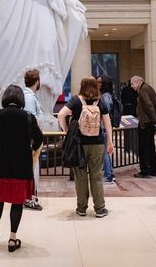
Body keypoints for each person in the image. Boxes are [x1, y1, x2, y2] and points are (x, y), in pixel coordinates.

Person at [0, 85, 43, 252]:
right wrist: (31, 147)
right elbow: (39, 138)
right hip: (21, 165)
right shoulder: (27, 116)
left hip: (0, 163)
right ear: (20, 99)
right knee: (17, 202)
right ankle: (12, 239)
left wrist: (2, 146)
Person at [57, 76, 114, 218]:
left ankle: (81, 208)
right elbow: (107, 124)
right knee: (97, 176)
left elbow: (61, 114)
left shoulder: (76, 100)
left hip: (79, 144)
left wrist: (67, 130)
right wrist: (110, 142)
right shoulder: (100, 102)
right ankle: (100, 209)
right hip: (97, 144)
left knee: (80, 176)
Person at [22, 69, 43, 210]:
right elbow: (31, 120)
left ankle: (29, 196)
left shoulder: (29, 96)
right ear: (37, 81)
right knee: (31, 169)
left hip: (33, 139)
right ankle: (29, 198)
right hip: (32, 141)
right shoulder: (29, 97)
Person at [131, 75, 156, 178]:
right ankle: (153, 169)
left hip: (146, 123)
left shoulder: (143, 90)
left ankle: (145, 170)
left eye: (132, 84)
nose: (132, 86)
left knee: (144, 147)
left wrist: (154, 119)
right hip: (150, 122)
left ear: (138, 82)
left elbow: (149, 106)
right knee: (151, 146)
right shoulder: (148, 88)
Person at [97, 75, 116, 184]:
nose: (97, 84)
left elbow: (105, 114)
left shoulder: (105, 97)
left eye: (99, 82)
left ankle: (109, 175)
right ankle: (109, 173)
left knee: (105, 151)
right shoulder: (105, 96)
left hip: (104, 128)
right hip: (104, 127)